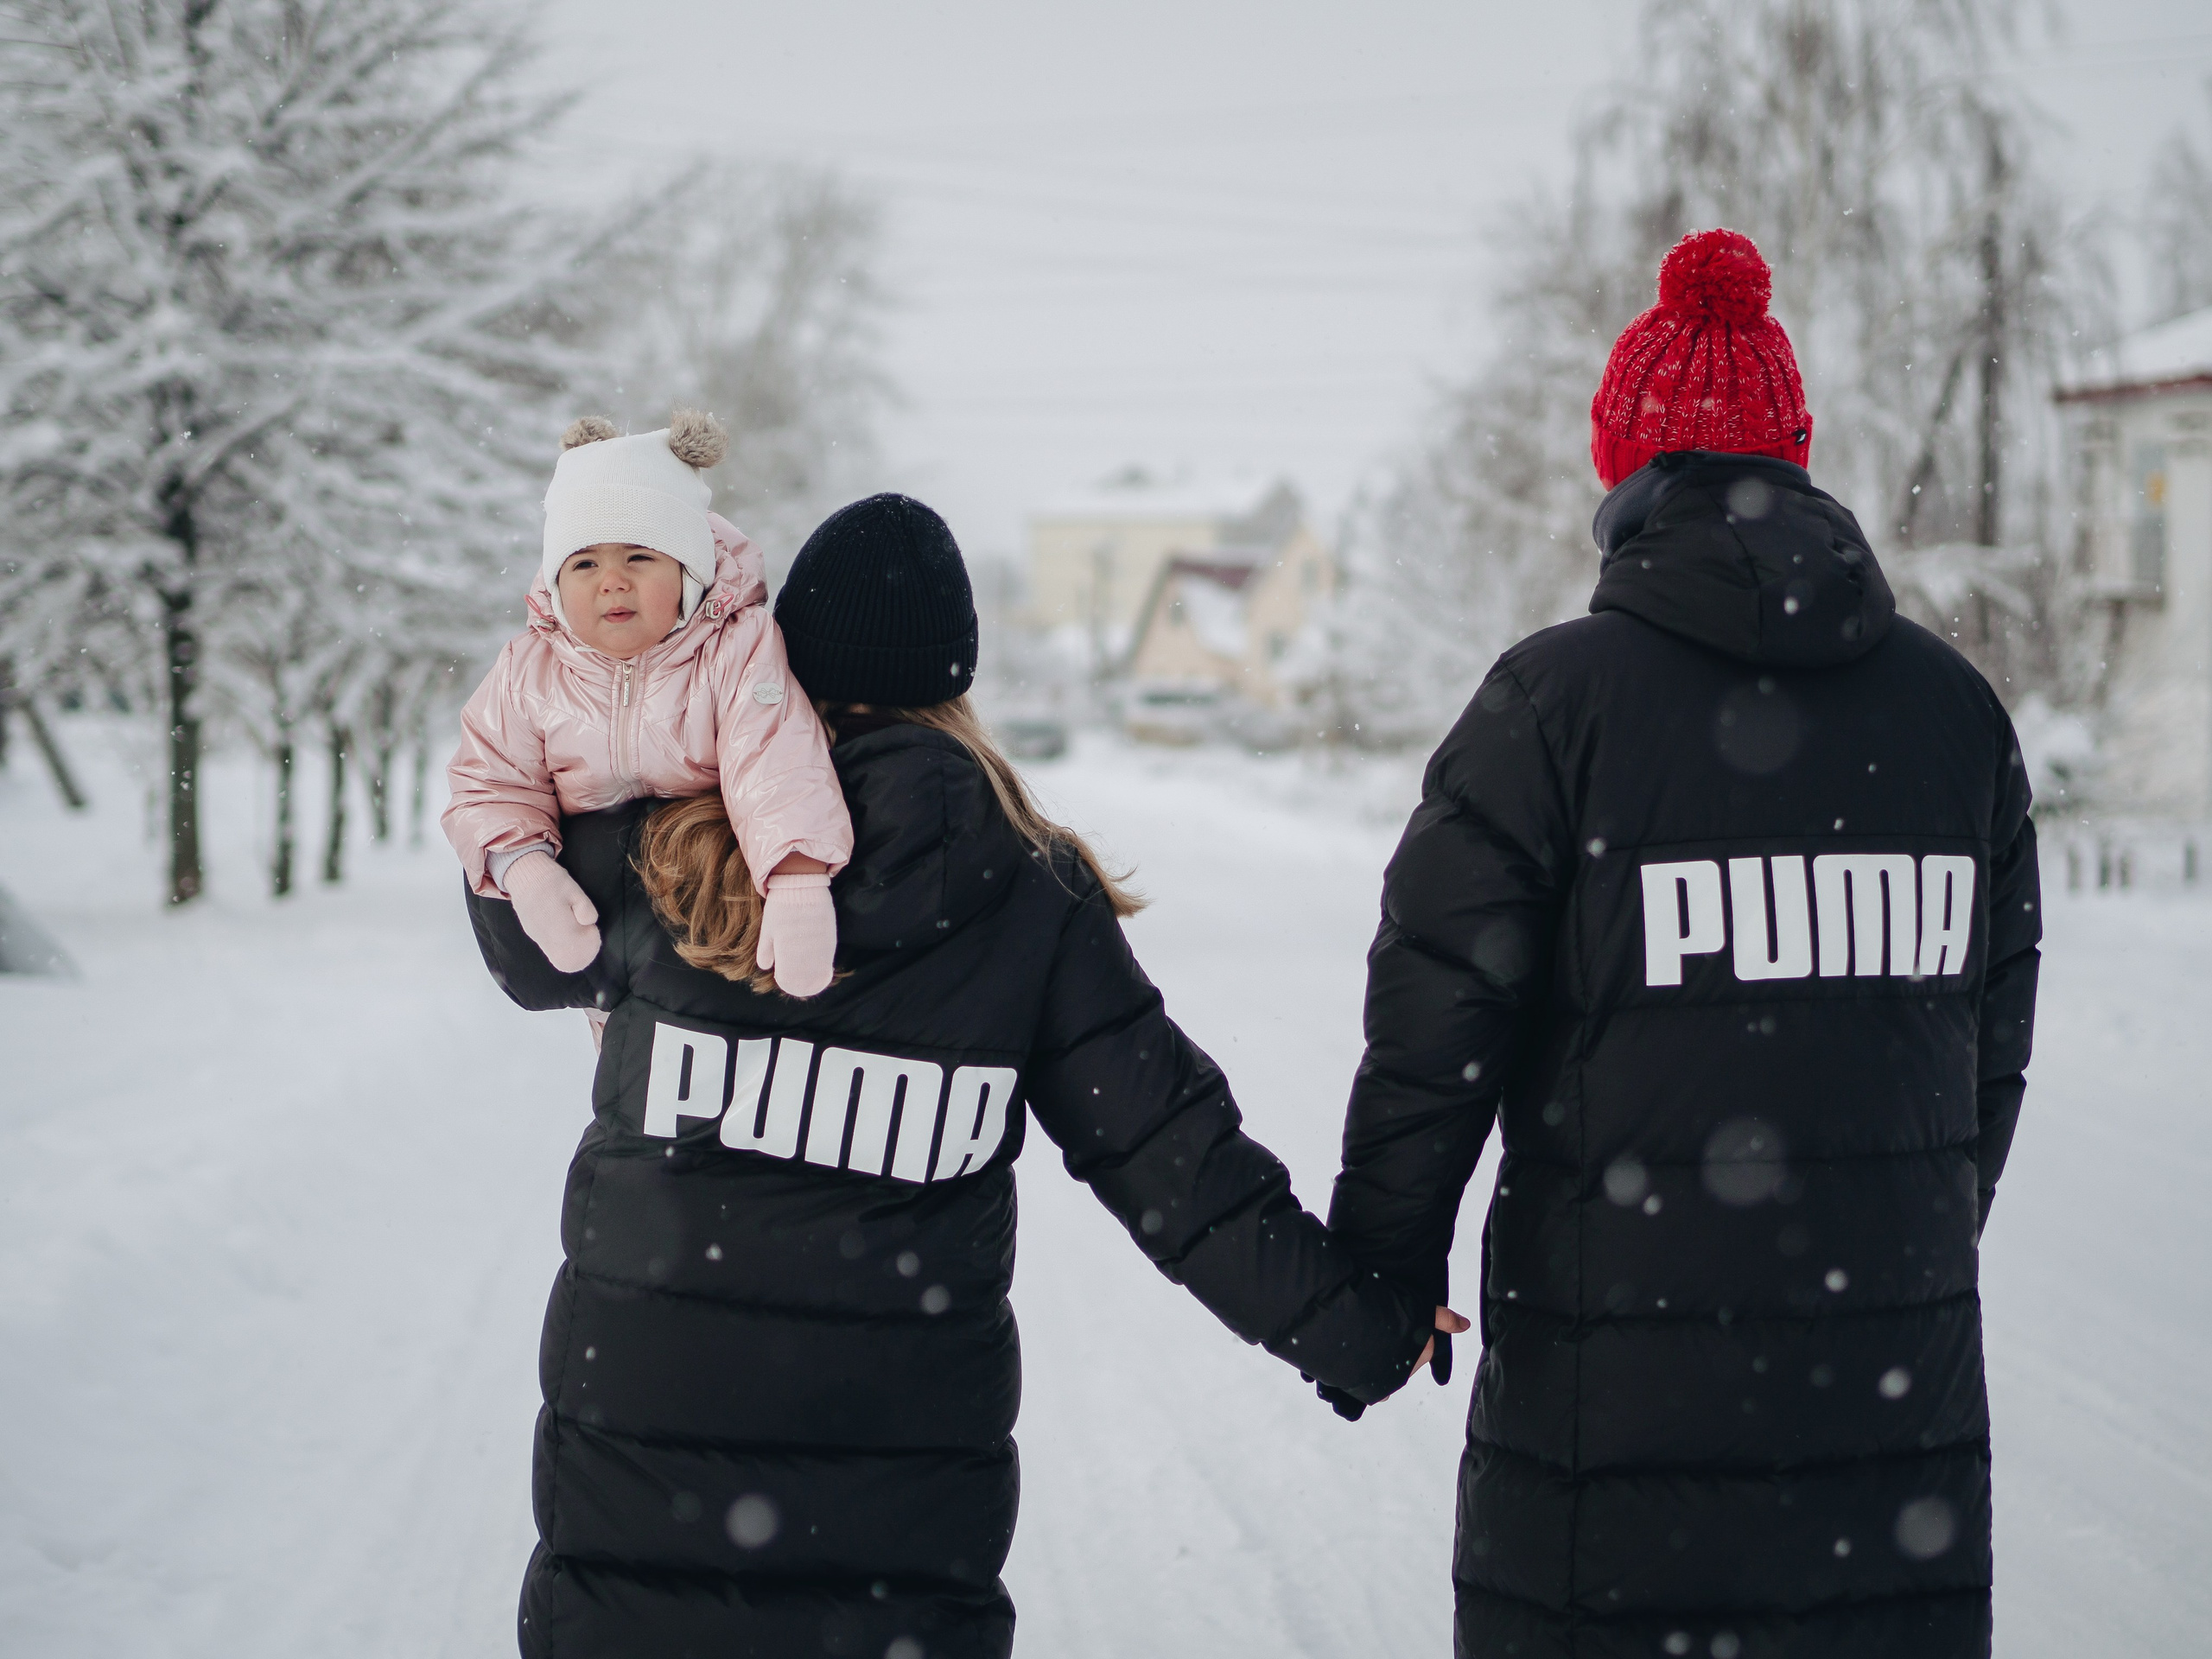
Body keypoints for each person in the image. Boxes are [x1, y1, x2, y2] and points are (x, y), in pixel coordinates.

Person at [466, 492, 1462, 1659]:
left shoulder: (670, 847)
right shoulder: (1031, 891)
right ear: (957, 678)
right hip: (895, 1484)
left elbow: (519, 949)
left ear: (781, 655)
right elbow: (1175, 1162)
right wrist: (1358, 1325)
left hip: (641, 1441)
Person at [1325, 229, 2039, 1657]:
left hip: (1613, 1449)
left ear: (1623, 472)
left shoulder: (1553, 707)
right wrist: (1885, 1243)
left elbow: (1433, 1033)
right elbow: (1986, 1061)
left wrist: (1379, 1287)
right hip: (1888, 1419)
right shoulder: (1955, 717)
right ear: (1800, 458)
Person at [445, 411, 853, 999]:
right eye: (584, 563)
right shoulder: (528, 672)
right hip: (603, 935)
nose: (611, 580)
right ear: (557, 583)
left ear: (688, 572)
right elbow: (490, 784)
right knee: (624, 1077)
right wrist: (527, 871)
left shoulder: (735, 652)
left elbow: (777, 760)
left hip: (713, 929)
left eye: (639, 556)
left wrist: (796, 879)